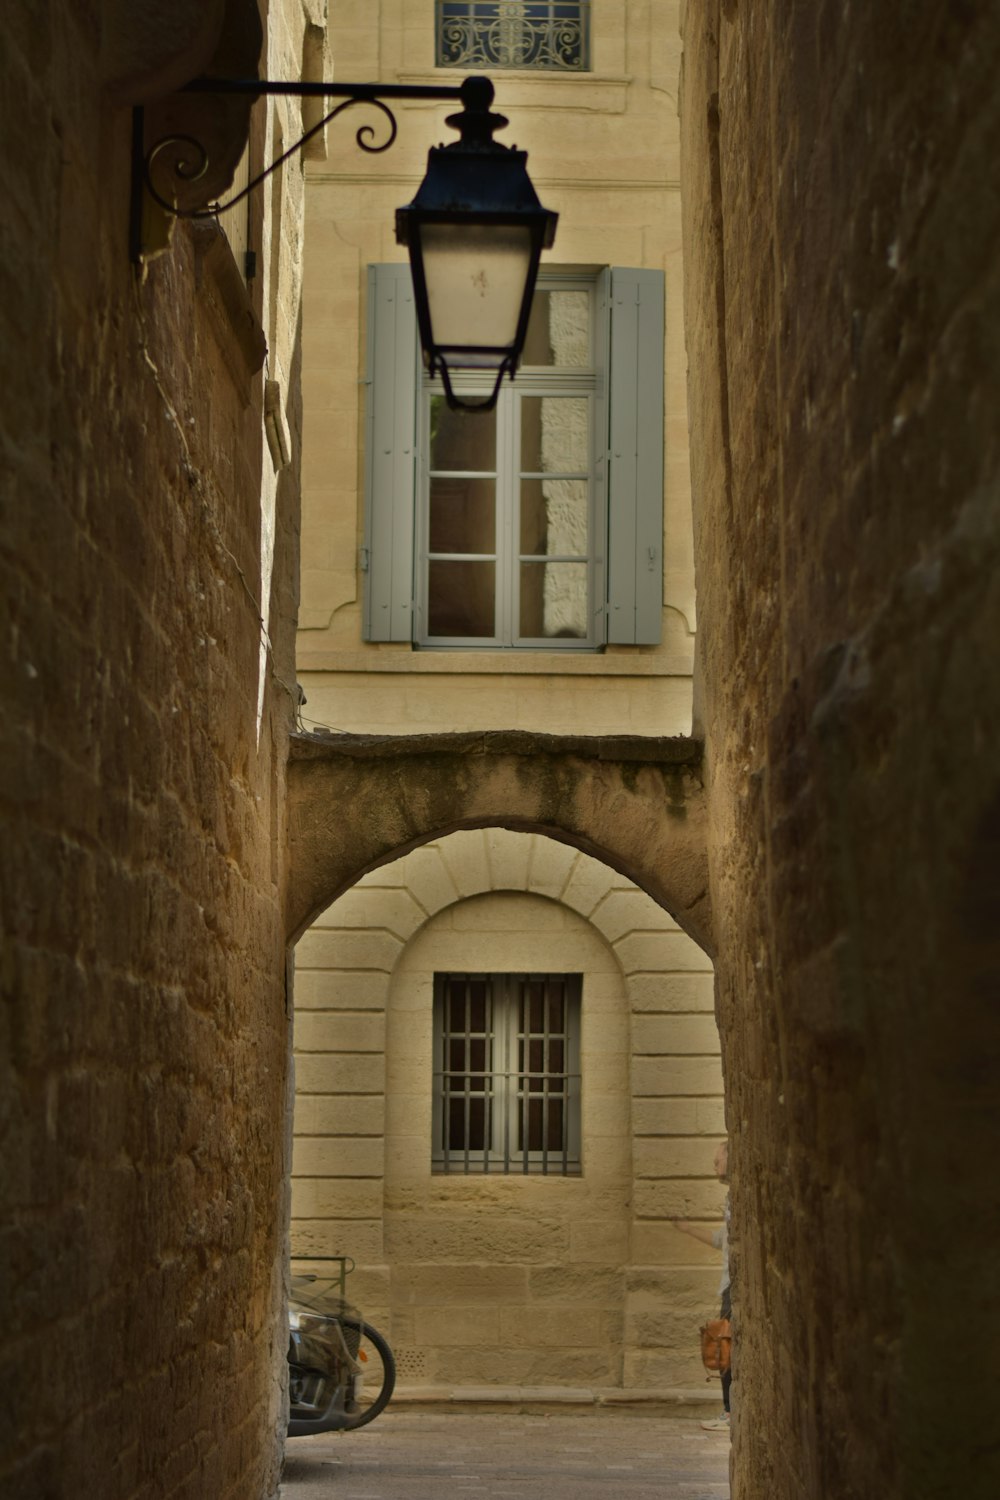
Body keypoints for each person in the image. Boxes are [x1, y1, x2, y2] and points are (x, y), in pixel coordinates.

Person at [673, 1138, 732, 1432]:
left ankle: (730, 1412)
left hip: (733, 1286)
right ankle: (729, 1409)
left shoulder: (737, 1198)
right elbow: (721, 1240)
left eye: (717, 1158)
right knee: (724, 1348)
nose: (714, 1164)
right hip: (728, 1286)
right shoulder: (732, 1199)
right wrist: (687, 1229)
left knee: (726, 1349)